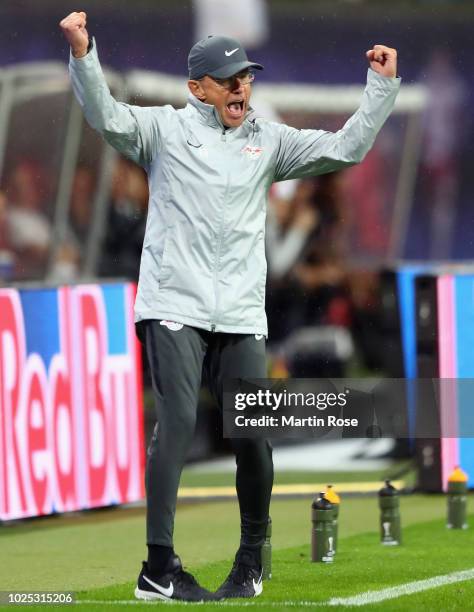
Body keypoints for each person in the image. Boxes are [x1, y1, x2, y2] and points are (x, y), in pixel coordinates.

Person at [60, 10, 400, 602]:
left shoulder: (268, 140)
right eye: (229, 78)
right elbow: (106, 117)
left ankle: (250, 560)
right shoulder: (164, 131)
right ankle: (158, 568)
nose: (243, 86)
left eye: (247, 76)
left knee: (252, 438)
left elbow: (346, 149)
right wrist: (84, 54)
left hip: (240, 314)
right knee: (176, 426)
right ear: (198, 89)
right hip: (174, 305)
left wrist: (381, 89)